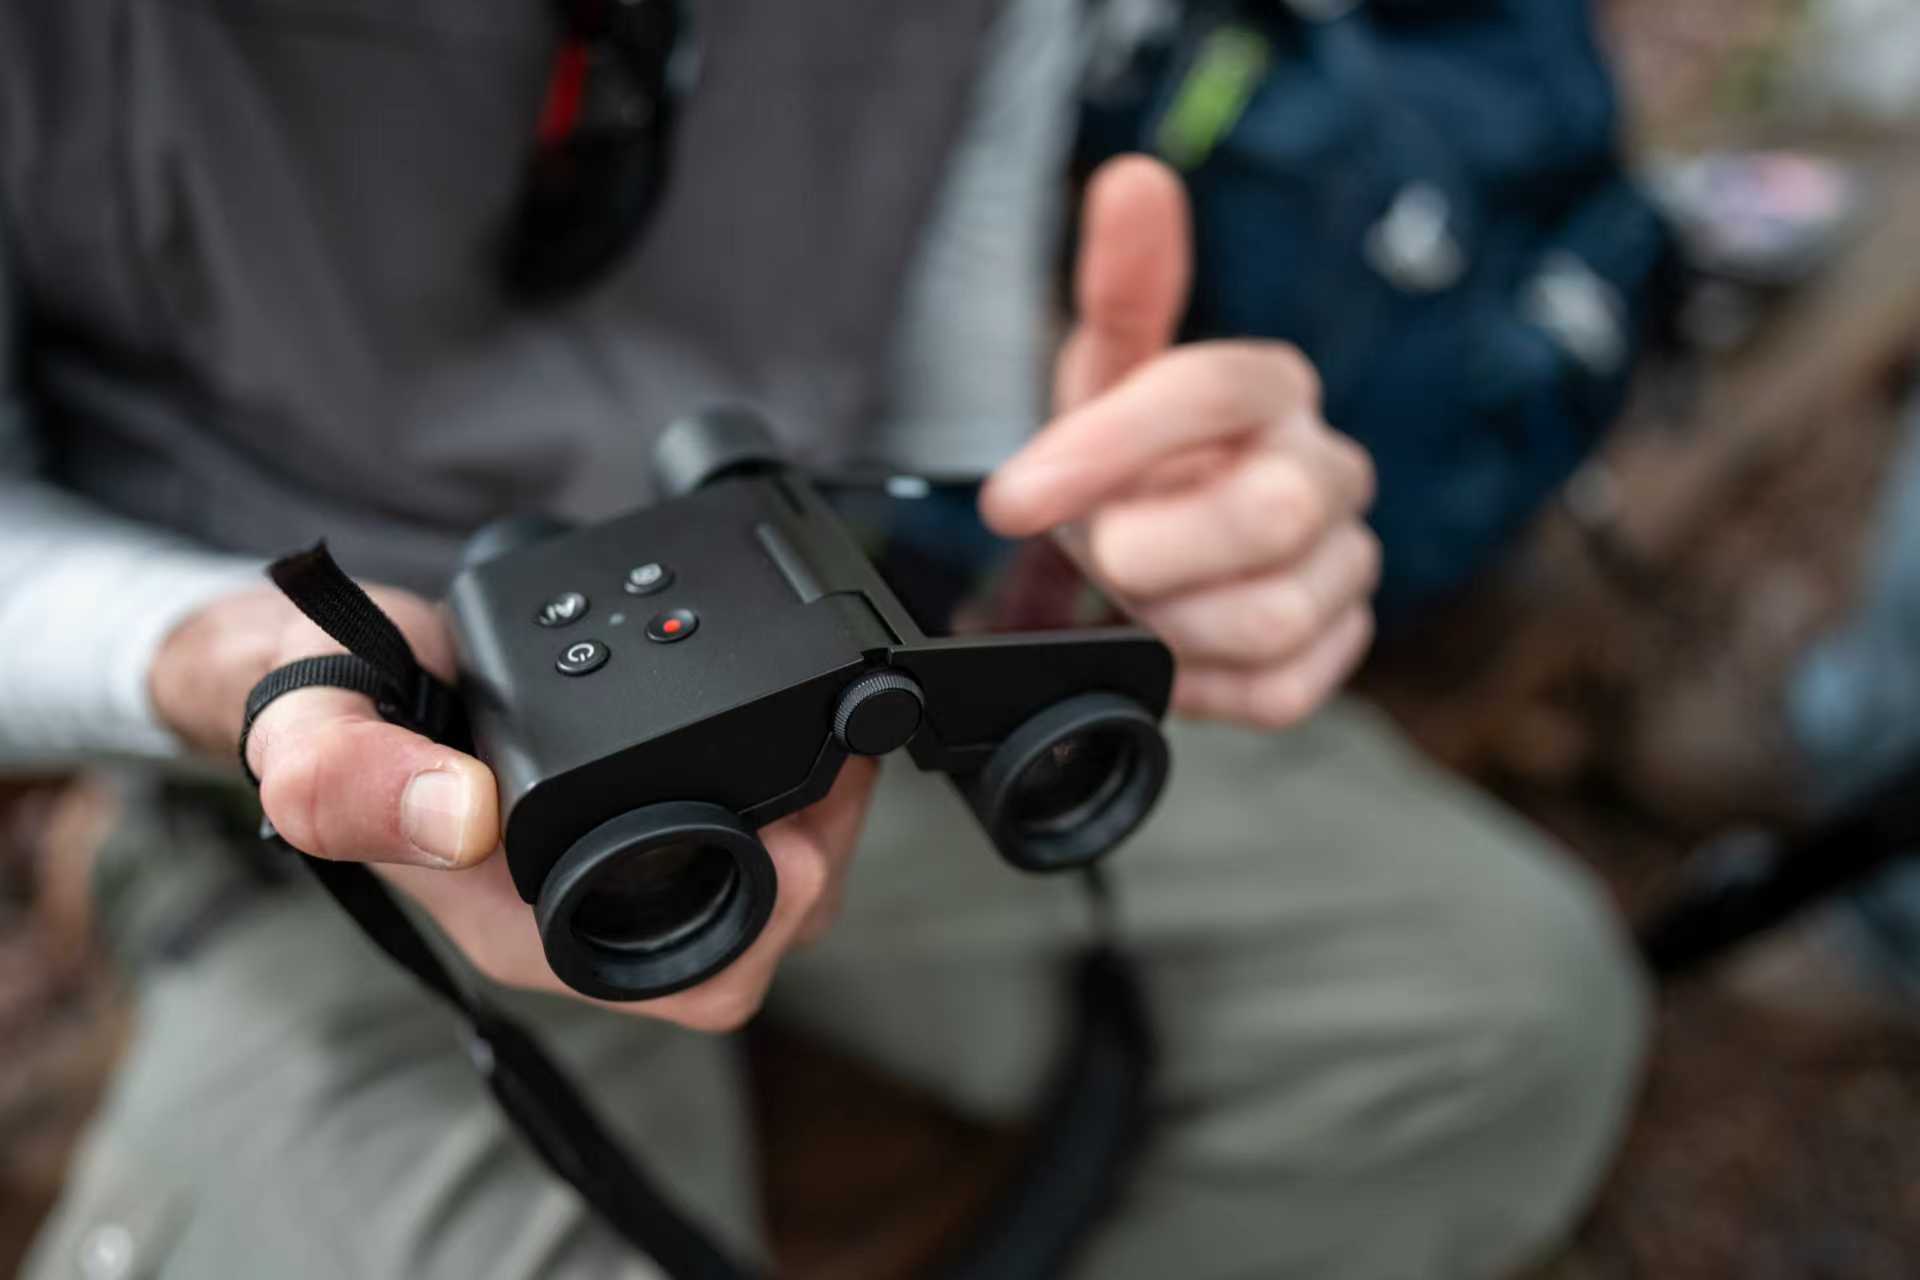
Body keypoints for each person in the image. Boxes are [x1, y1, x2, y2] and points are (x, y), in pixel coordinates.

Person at [1, 1, 1647, 1276]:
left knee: (1514, 1018)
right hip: (319, 742)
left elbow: (933, 354)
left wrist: (1075, 541)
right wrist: (234, 666)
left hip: (828, 578)